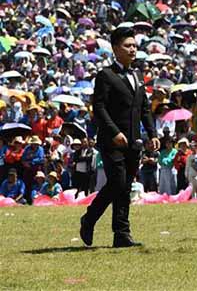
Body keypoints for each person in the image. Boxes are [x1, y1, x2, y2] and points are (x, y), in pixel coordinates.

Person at [80, 27, 159, 248]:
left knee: (125, 187)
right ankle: (89, 218)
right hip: (111, 140)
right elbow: (99, 108)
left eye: (134, 45)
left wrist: (152, 134)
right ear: (115, 49)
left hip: (134, 141)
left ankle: (121, 234)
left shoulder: (137, 75)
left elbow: (144, 109)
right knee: (117, 182)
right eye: (127, 45)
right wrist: (114, 132)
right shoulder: (106, 75)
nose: (133, 49)